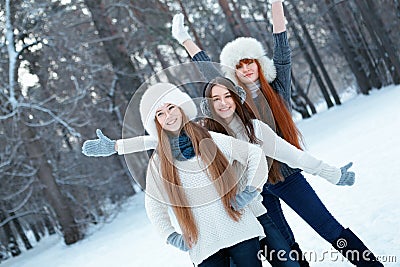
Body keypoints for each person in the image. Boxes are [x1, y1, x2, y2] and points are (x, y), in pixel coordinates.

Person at [171, 1, 384, 266]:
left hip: (288, 175)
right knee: (283, 247)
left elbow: (281, 45)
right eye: (239, 66)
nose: (246, 69)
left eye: (250, 62)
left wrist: (276, 4)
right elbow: (208, 69)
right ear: (233, 72)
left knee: (329, 228)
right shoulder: (233, 99)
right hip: (256, 186)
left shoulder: (278, 87)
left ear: (259, 64)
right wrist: (184, 39)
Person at [83, 82, 301, 266]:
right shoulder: (159, 162)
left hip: (240, 231)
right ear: (156, 122)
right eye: (160, 113)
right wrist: (171, 236)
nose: (168, 116)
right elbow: (154, 206)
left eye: (171, 108)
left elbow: (254, 154)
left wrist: (250, 191)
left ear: (181, 108)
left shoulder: (210, 139)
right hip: (204, 247)